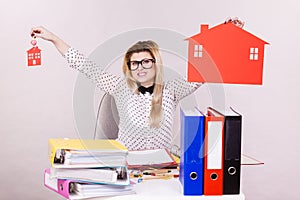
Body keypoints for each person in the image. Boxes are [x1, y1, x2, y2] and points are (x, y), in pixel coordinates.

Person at [31, 17, 244, 151]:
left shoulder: (171, 90)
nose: (140, 67)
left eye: (145, 61)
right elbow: (84, 64)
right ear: (129, 67)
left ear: (155, 63)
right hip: (127, 165)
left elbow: (204, 71)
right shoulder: (118, 87)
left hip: (163, 166)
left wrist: (227, 35)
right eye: (134, 63)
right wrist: (53, 38)